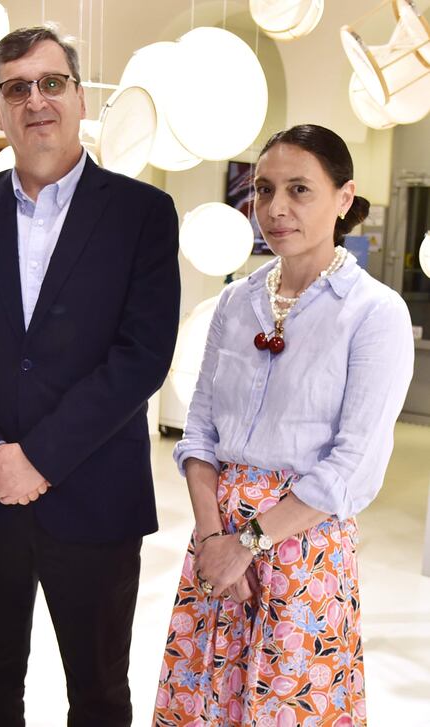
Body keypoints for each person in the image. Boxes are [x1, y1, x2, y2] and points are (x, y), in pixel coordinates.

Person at [0, 25, 180, 727]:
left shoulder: (141, 214)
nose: (36, 100)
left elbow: (142, 354)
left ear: (80, 97)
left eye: (51, 82)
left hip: (94, 500)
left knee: (97, 693)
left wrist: (41, 458)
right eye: (16, 87)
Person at [152, 124, 414, 726]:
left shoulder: (373, 312)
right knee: (204, 700)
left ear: (344, 199)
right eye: (264, 189)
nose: (275, 208)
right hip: (215, 541)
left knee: (287, 706)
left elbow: (353, 466)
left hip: (302, 549)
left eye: (299, 189)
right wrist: (214, 538)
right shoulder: (235, 302)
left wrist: (246, 545)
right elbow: (198, 433)